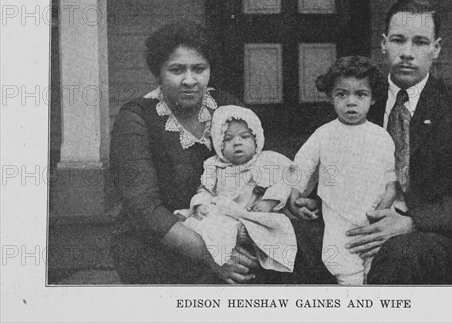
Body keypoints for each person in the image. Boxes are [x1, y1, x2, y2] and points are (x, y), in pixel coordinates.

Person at [292, 0, 452, 284]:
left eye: (420, 42)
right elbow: (330, 161)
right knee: (292, 239)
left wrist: (412, 221)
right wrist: (307, 201)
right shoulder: (357, 103)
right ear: (383, 44)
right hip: (355, 224)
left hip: (430, 238)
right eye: (399, 40)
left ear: (436, 48)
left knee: (399, 253)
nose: (407, 53)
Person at [110, 22, 261, 284]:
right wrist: (209, 253)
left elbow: (257, 166)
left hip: (222, 228)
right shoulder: (136, 118)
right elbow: (144, 209)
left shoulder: (228, 107)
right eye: (177, 70)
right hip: (159, 241)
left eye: (199, 69)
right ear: (159, 72)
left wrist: (289, 196)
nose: (189, 80)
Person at [288, 56, 407, 285]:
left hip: (374, 211)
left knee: (376, 256)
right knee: (340, 257)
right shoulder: (324, 134)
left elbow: (390, 180)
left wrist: (381, 209)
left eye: (360, 94)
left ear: (373, 99)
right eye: (342, 94)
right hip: (337, 210)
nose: (351, 102)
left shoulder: (380, 136)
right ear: (331, 98)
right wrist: (294, 196)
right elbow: (303, 163)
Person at [175, 105, 297, 274]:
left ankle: (254, 248)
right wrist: (199, 205)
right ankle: (224, 252)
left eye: (244, 136)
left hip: (253, 214)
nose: (237, 142)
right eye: (228, 139)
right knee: (201, 224)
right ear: (219, 144)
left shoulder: (267, 161)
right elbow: (205, 190)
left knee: (274, 227)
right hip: (224, 213)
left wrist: (268, 202)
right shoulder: (214, 166)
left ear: (257, 139)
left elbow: (284, 182)